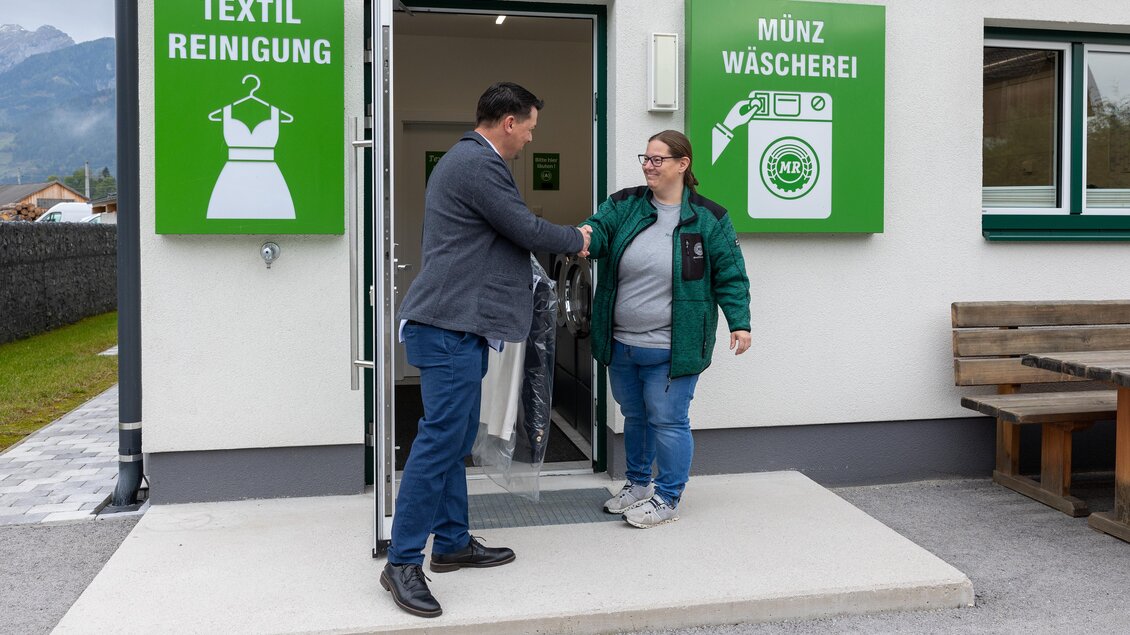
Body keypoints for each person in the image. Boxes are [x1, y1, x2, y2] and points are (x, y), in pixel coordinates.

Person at [380, 82, 591, 618]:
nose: (528, 140)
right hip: (447, 326)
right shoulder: (478, 163)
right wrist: (579, 238)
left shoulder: (469, 161)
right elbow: (521, 227)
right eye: (530, 129)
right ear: (509, 123)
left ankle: (450, 542)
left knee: (451, 441)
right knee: (438, 443)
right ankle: (402, 562)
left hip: (458, 327)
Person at [580, 129, 751, 529]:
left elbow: (730, 274)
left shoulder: (709, 218)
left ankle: (668, 496)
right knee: (635, 415)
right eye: (646, 158)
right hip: (622, 343)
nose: (648, 166)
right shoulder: (626, 204)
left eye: (657, 159)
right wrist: (584, 236)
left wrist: (739, 323)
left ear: (682, 164)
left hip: (674, 348)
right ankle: (638, 485)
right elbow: (600, 229)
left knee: (669, 420)